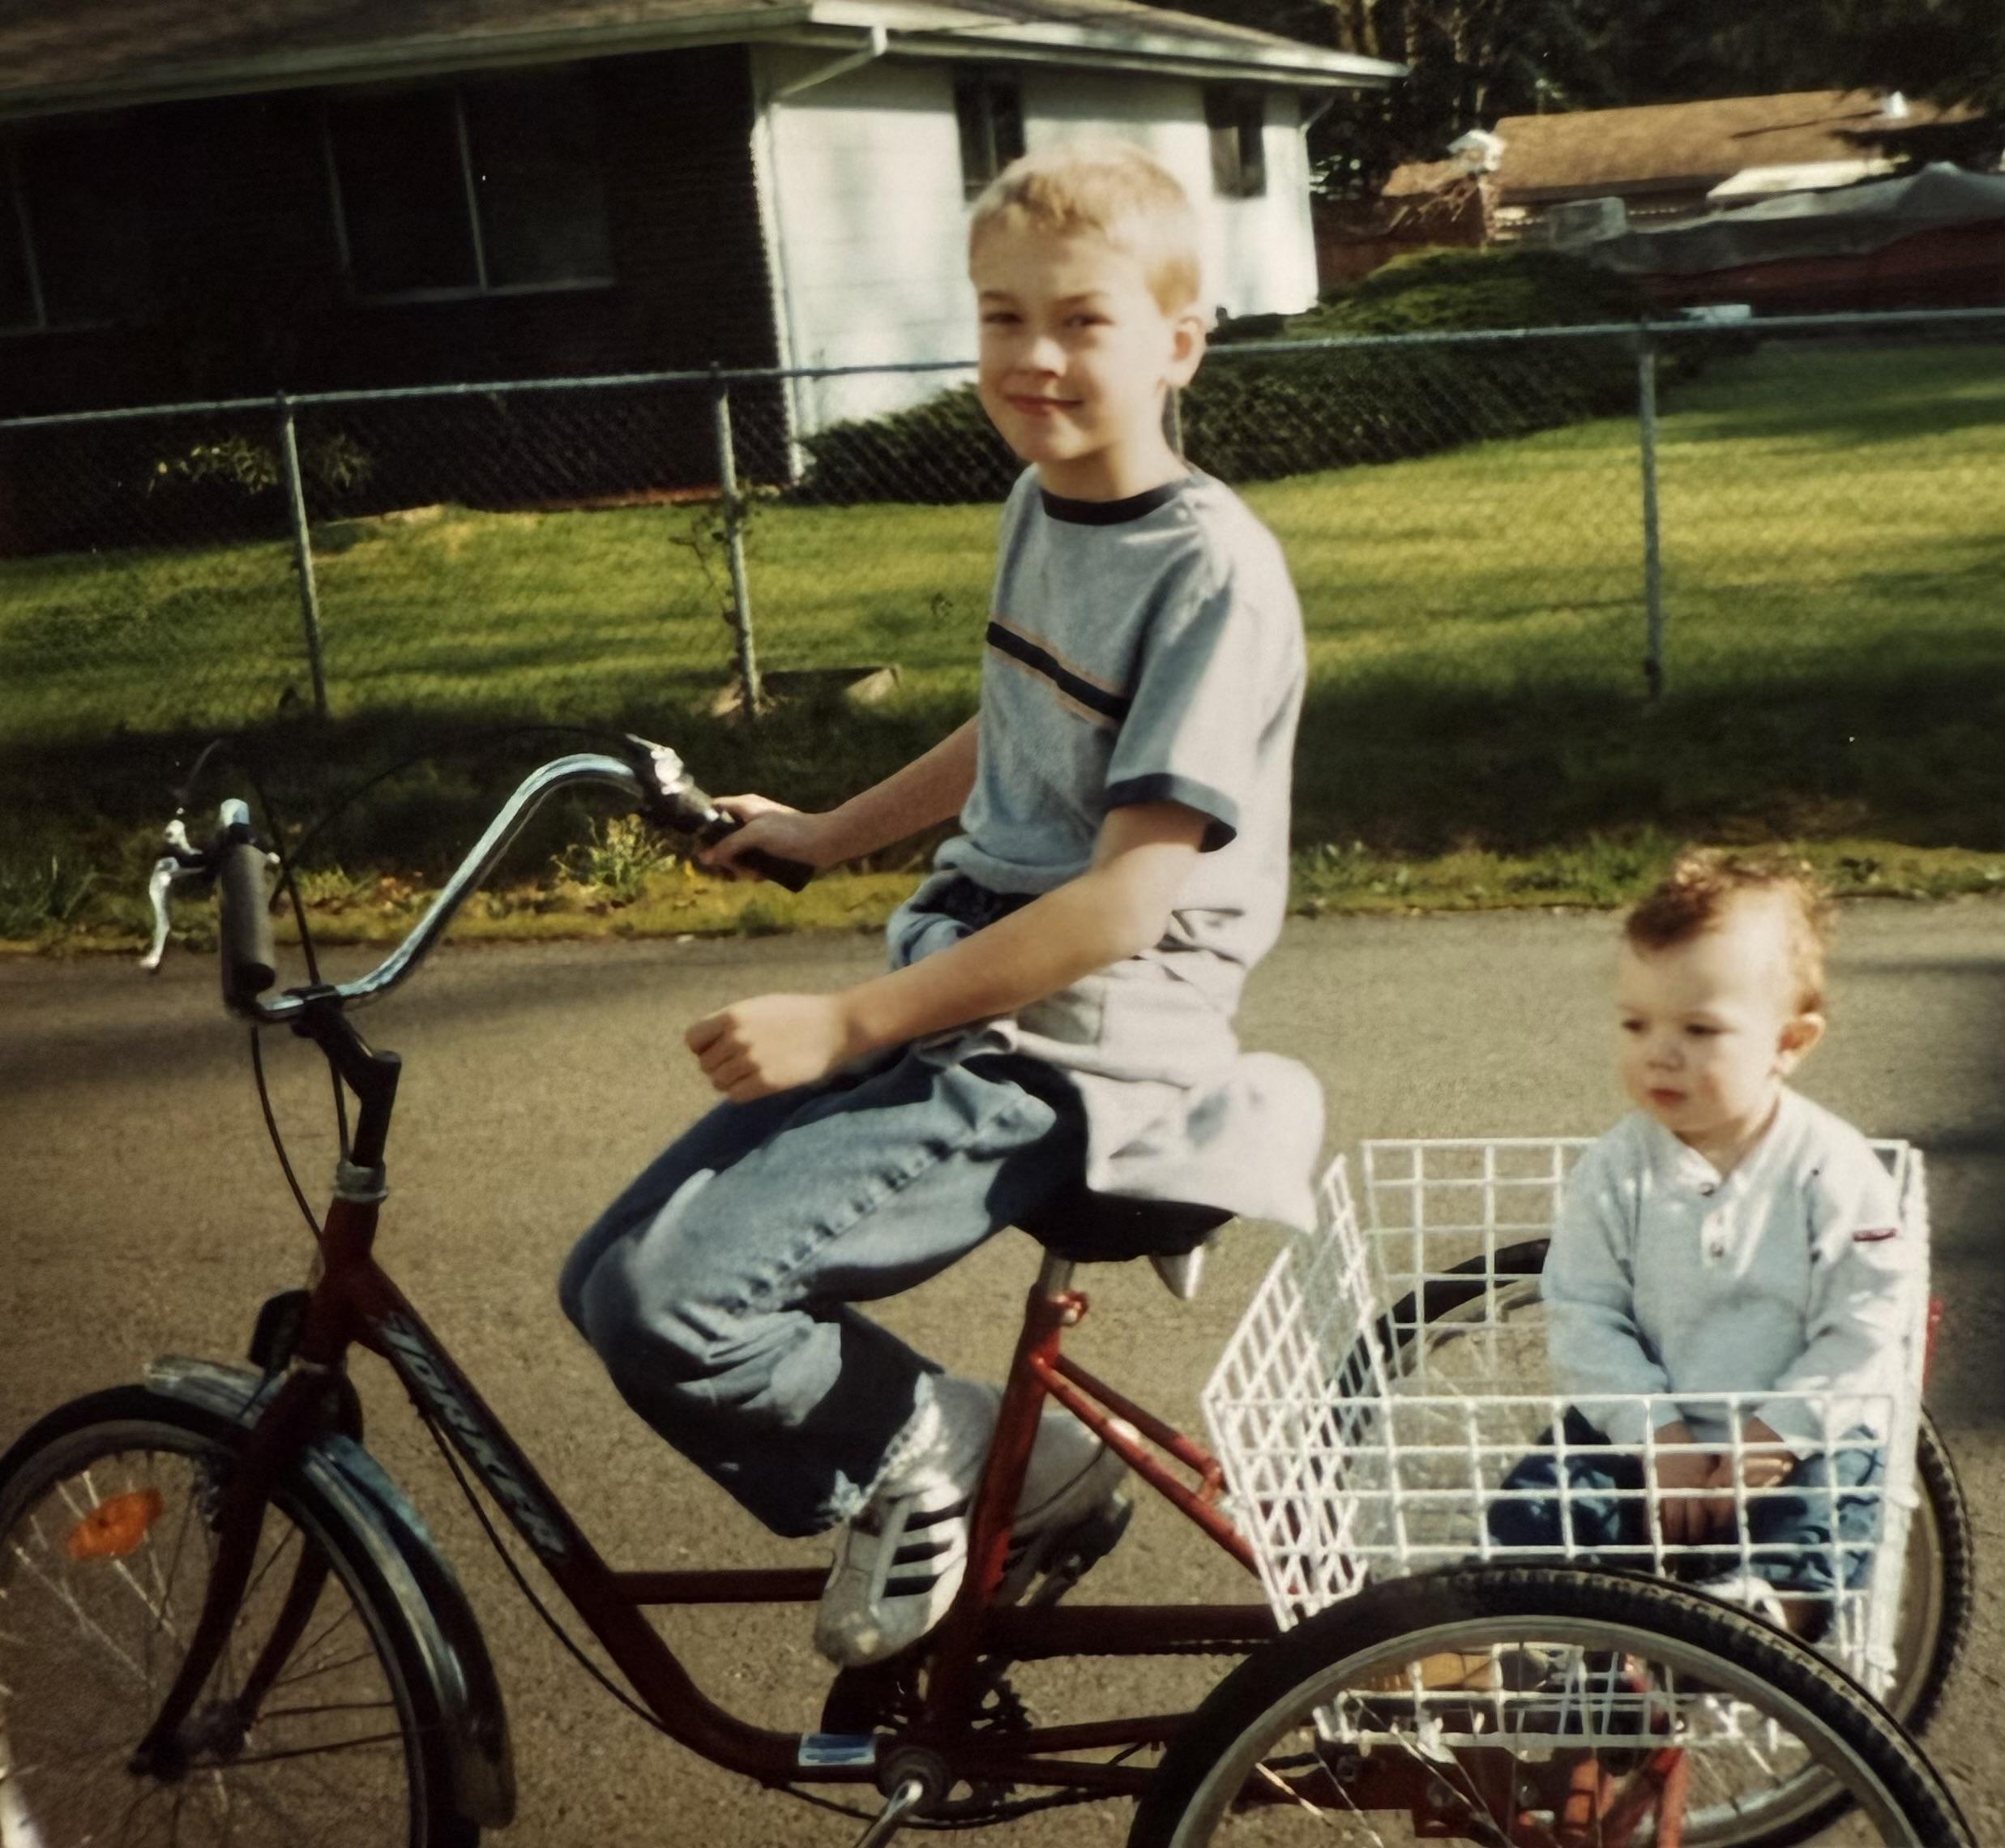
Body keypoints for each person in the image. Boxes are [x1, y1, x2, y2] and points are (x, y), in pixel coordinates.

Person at [559, 141, 1322, 1668]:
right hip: (977, 982)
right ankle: (975, 1470)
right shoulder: (1046, 504)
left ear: (1178, 344)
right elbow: (1022, 721)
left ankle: (959, 1456)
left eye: (1081, 321)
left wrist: (847, 1022)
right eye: (999, 317)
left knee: (674, 1307)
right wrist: (823, 835)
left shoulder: (1212, 575)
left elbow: (1121, 907)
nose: (1032, 359)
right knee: (603, 1280)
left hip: (1077, 1039)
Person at [1486, 853, 1922, 1634]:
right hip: (1650, 1428)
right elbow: (1585, 1314)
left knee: (1830, 1508)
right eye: (1637, 1024)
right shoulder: (1617, 1167)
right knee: (1542, 1505)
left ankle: (1757, 1629)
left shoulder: (1831, 1168)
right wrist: (1657, 1435)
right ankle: (1492, 1637)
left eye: (1700, 1029)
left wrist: (1778, 1434)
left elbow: (1866, 1322)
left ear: (1790, 1041)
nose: (1660, 1051)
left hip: (1794, 1433)